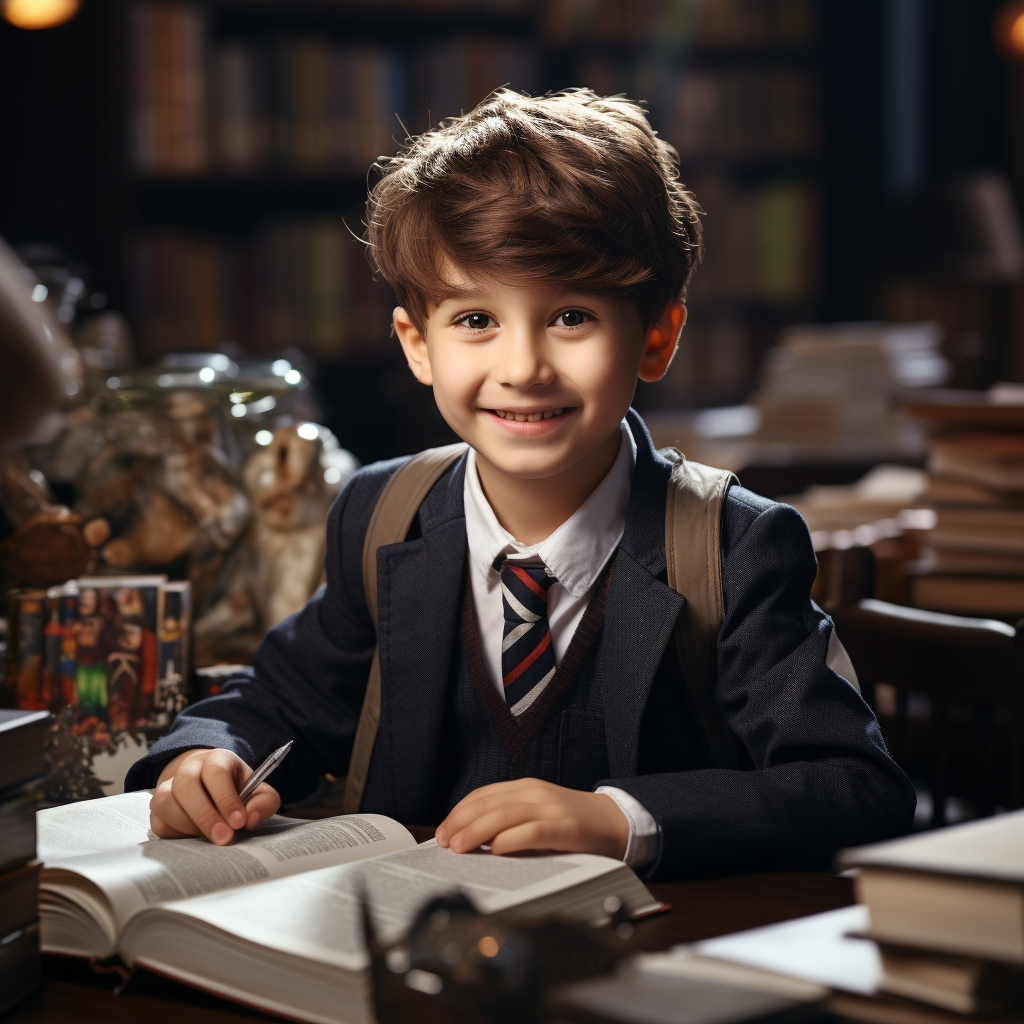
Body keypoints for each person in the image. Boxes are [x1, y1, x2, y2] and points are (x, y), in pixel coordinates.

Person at [126, 89, 915, 878]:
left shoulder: (730, 544)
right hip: (409, 951)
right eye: (476, 320)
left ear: (656, 337)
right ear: (418, 344)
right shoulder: (381, 514)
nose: (523, 369)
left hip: (638, 955)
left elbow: (853, 786)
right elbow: (280, 702)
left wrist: (618, 819)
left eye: (572, 316)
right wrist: (206, 757)